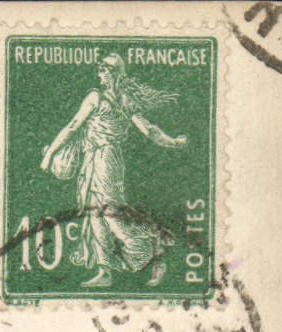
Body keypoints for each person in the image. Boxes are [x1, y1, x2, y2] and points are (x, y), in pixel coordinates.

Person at [40, 53, 188, 289]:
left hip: (105, 160)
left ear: (114, 74)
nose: (100, 73)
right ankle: (104, 270)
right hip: (95, 159)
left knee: (110, 212)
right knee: (94, 213)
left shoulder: (98, 98)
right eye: (100, 69)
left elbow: (73, 126)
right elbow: (150, 130)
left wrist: (49, 155)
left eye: (104, 70)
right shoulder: (123, 100)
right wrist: (174, 142)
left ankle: (155, 244)